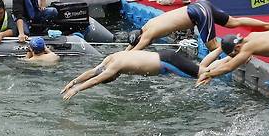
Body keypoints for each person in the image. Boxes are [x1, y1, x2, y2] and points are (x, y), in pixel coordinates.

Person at [128, 0, 269, 52]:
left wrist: (120, 58)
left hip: (199, 13)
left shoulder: (147, 34)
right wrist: (127, 47)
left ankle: (241, 48)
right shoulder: (147, 25)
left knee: (213, 46)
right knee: (233, 22)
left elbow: (136, 48)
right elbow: (134, 42)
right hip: (200, 4)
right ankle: (268, 25)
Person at [61, 49, 201, 100]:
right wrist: (73, 82)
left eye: (114, 78)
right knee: (201, 70)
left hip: (167, 63)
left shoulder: (113, 68)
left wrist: (76, 89)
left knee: (202, 74)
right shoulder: (110, 58)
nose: (117, 77)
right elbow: (93, 72)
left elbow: (95, 80)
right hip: (164, 55)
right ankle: (220, 53)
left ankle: (221, 52)